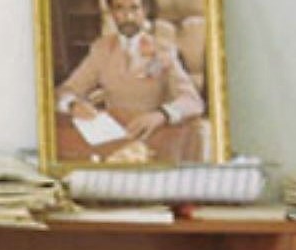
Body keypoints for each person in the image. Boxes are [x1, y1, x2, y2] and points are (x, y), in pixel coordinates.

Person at [54, 0, 205, 163]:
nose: (128, 16)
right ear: (112, 13)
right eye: (120, 8)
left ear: (145, 11)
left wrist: (162, 114)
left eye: (134, 8)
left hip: (154, 137)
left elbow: (193, 101)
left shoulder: (163, 49)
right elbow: (65, 91)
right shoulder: (101, 49)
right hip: (113, 139)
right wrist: (72, 104)